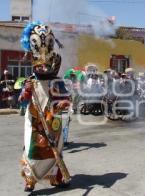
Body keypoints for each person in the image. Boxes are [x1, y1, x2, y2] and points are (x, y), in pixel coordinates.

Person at [19, 21, 71, 192]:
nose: (43, 67)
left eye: (46, 65)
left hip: (53, 121)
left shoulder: (57, 81)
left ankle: (56, 178)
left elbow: (67, 98)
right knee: (32, 151)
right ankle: (30, 180)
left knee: (54, 152)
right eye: (39, 65)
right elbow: (22, 100)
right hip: (35, 122)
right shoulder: (31, 81)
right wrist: (25, 92)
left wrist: (63, 103)